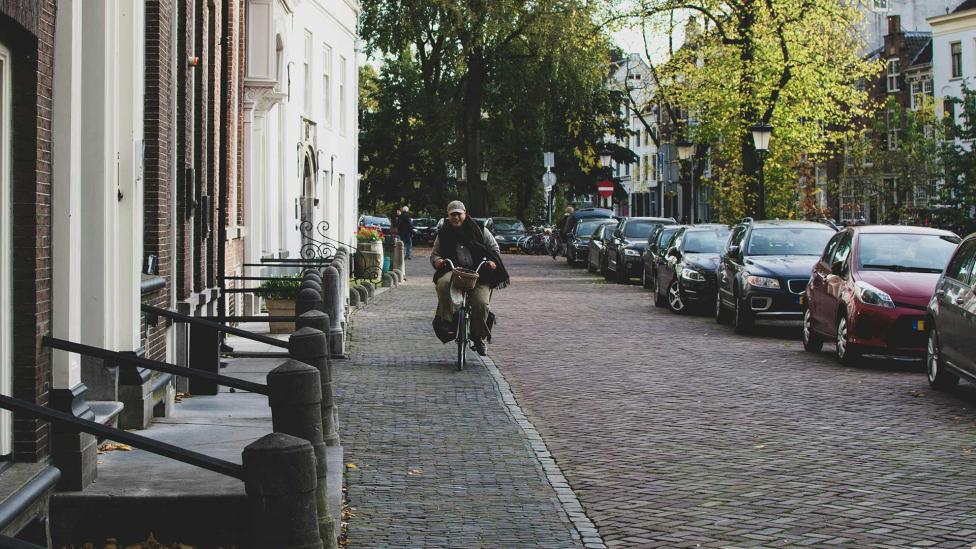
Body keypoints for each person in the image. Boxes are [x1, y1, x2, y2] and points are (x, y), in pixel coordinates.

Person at [430, 200, 509, 356]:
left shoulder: (479, 229)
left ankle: (477, 336)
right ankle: (448, 320)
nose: (456, 218)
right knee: (443, 284)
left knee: (481, 303)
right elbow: (435, 254)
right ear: (448, 216)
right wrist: (437, 261)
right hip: (454, 271)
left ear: (465, 213)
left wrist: (492, 262)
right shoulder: (444, 232)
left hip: (479, 273)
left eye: (459, 214)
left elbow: (494, 249)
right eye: (453, 215)